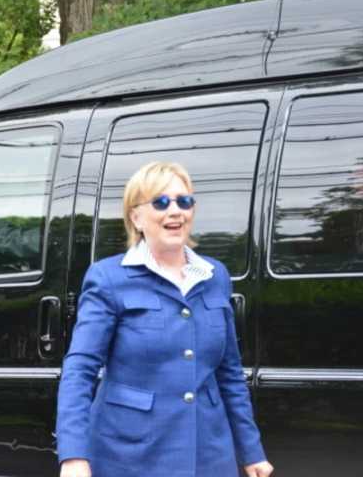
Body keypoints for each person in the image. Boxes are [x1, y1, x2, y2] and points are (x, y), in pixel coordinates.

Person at [56, 161, 273, 477]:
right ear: (136, 216)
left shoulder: (215, 276)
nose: (176, 211)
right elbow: (80, 369)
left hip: (208, 457)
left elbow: (228, 374)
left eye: (184, 201)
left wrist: (251, 451)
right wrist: (74, 456)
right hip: (131, 456)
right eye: (160, 202)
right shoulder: (108, 278)